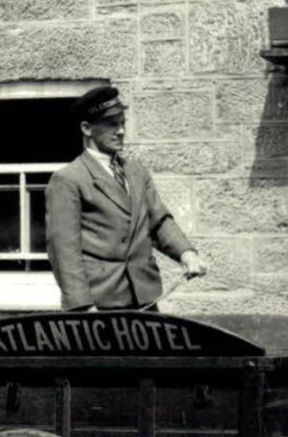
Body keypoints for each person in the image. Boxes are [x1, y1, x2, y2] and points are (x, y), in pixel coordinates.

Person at [44, 85, 208, 311]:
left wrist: (186, 253)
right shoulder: (68, 180)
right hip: (100, 303)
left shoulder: (136, 172)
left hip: (144, 297)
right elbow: (64, 250)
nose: (120, 131)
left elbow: (158, 221)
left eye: (123, 123)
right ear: (87, 128)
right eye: (112, 124)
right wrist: (81, 306)